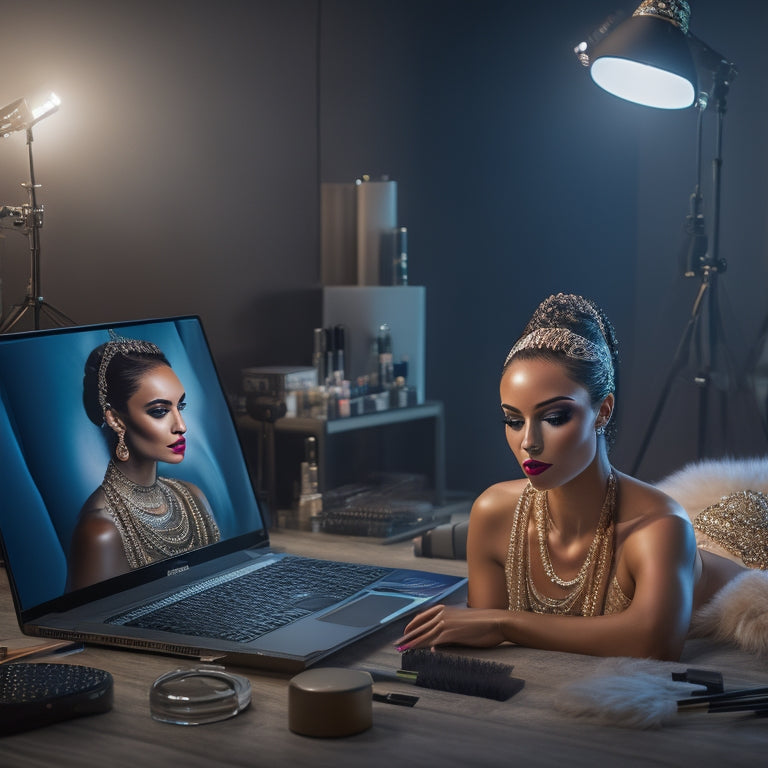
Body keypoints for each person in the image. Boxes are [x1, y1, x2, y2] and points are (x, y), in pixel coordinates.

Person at [396, 293, 762, 661]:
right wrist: (491, 624)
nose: (529, 442)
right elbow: (484, 632)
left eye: (554, 418)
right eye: (513, 420)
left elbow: (656, 644)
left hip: (748, 542)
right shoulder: (492, 511)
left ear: (602, 411)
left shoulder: (660, 527)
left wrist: (506, 624)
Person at [67, 332, 220, 591]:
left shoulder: (193, 497)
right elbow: (83, 625)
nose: (181, 426)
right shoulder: (102, 531)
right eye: (159, 411)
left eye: (179, 407)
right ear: (116, 419)